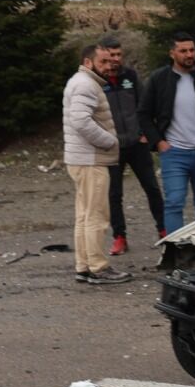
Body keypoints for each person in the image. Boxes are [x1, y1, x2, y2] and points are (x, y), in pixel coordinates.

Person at [139, 31, 195, 233]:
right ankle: (175, 251)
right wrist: (159, 142)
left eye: (192, 50)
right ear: (172, 53)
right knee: (174, 202)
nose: (189, 55)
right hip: (174, 152)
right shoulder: (159, 79)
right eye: (183, 51)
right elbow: (144, 114)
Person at [62, 44, 131, 284]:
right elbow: (80, 120)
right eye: (102, 61)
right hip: (91, 160)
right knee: (96, 216)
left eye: (110, 60)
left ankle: (84, 266)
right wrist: (109, 141)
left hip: (81, 159)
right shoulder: (86, 84)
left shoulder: (81, 82)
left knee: (84, 215)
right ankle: (98, 267)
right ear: (88, 62)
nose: (109, 64)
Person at [96, 34, 165, 255]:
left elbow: (143, 106)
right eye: (111, 55)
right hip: (112, 147)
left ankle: (163, 231)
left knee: (152, 188)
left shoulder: (131, 76)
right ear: (103, 56)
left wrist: (145, 133)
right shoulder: (96, 80)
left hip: (137, 144)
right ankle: (119, 237)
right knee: (114, 194)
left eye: (118, 54)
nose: (115, 59)